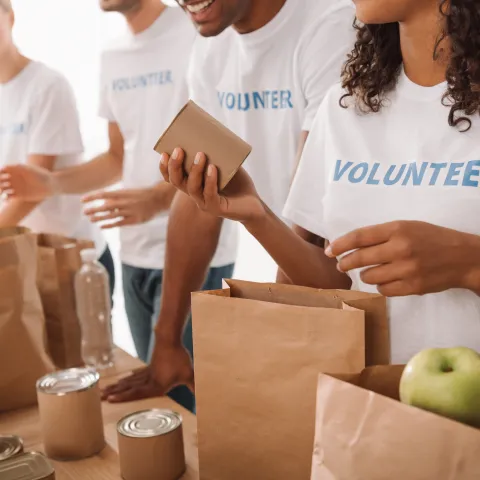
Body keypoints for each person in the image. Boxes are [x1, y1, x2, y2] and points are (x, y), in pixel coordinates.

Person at [1, 0, 355, 405]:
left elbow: (306, 218)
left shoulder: (327, 25)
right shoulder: (211, 48)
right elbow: (197, 194)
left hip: (351, 288)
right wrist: (166, 342)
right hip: (300, 279)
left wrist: (271, 339)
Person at [160, 0, 480, 363]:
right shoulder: (346, 108)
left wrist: (468, 261)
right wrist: (257, 216)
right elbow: (341, 286)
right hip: (373, 404)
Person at [0, 0, 236, 412]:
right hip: (134, 252)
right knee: (163, 406)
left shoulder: (198, 32)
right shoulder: (113, 55)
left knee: (204, 408)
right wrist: (53, 183)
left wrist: (159, 199)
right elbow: (116, 158)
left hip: (198, 247)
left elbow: (221, 143)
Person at [0, 0, 114, 296]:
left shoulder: (46, 86)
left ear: (10, 17)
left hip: (72, 257)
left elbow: (31, 191)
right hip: (25, 255)